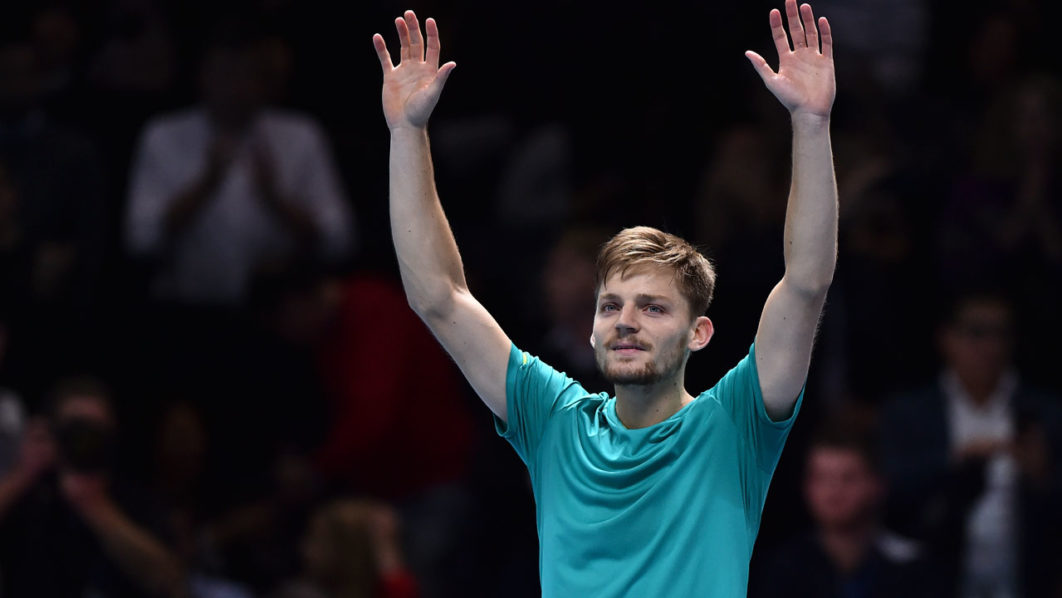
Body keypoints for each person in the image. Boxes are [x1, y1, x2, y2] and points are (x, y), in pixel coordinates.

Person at [372, 1, 837, 596]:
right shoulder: (553, 420)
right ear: (590, 329)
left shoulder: (734, 423)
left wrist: (811, 124)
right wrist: (406, 133)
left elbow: (805, 284)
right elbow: (439, 296)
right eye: (610, 306)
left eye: (654, 307)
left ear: (699, 333)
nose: (626, 322)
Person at [880, 292, 1062, 598]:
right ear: (946, 338)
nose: (990, 347)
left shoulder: (1045, 413)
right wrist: (953, 461)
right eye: (977, 332)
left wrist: (1041, 476)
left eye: (1001, 333)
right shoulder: (911, 413)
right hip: (936, 581)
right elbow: (892, 492)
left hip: (1025, 581)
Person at [0, 377, 185, 598]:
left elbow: (169, 581)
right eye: (76, 430)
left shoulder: (134, 499)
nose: (84, 442)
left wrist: (95, 506)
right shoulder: (31, 495)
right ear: (53, 433)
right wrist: (23, 474)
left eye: (95, 432)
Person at [752, 416, 940, 598]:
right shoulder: (783, 569)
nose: (833, 492)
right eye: (821, 478)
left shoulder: (911, 567)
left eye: (848, 478)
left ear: (878, 483)